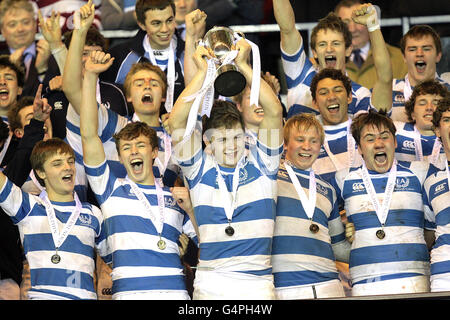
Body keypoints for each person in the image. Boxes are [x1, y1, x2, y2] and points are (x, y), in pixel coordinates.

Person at [168, 38, 283, 299]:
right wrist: (202, 73)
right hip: (211, 282)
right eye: (221, 140)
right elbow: (177, 119)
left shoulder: (263, 163)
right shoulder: (198, 168)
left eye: (235, 138)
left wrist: (243, 65)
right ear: (207, 141)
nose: (231, 147)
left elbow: (274, 110)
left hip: (258, 284)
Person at [79, 50, 197, 299]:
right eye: (126, 148)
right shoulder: (109, 188)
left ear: (155, 152)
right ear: (119, 157)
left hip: (176, 295)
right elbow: (89, 134)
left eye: (141, 145)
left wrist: (192, 211)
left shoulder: (175, 198)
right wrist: (89, 76)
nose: (134, 151)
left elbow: (208, 241)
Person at [0, 85, 108, 299]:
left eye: (70, 162)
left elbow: (113, 259)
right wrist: (37, 123)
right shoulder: (28, 207)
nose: (67, 167)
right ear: (40, 172)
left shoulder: (94, 213)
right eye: (57, 163)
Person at [335, 109, 434, 296]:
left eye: (384, 136)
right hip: (364, 281)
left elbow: (432, 230)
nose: (378, 143)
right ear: (359, 147)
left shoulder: (420, 172)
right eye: (370, 138)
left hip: (414, 279)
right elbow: (327, 224)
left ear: (395, 142)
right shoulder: (343, 178)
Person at [272, 113, 351, 299]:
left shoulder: (327, 189)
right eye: (300, 140)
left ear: (320, 147)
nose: (307, 147)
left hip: (329, 285)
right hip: (285, 286)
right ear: (285, 144)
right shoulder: (270, 178)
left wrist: (362, 236)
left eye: (314, 141)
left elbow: (339, 247)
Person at [273, 0, 378, 119]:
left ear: (348, 49)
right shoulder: (300, 73)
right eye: (322, 44)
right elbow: (287, 29)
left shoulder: (361, 94)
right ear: (314, 52)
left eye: (336, 43)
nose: (329, 49)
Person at [101, 0, 185, 115]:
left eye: (169, 21)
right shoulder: (119, 56)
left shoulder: (189, 54)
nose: (165, 29)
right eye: (156, 23)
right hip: (133, 130)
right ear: (142, 25)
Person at [334, 0, 407, 89]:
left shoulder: (398, 58)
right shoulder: (330, 61)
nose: (352, 29)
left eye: (357, 21)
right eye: (346, 23)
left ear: (369, 21)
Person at [392, 24, 450, 122]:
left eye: (426, 49)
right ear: (404, 57)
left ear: (438, 56)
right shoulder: (389, 91)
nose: (419, 54)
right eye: (412, 49)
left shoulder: (448, 87)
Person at [423, 96, 450, 292]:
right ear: (437, 130)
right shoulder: (432, 181)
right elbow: (429, 235)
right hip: (443, 274)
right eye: (447, 120)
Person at [0, 0, 49, 97]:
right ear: (2, 31)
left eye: (25, 22)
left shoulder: (53, 55)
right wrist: (11, 67)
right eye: (12, 24)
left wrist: (42, 71)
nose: (20, 29)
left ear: (35, 25)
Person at [394, 80, 448, 165]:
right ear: (413, 114)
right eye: (422, 103)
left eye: (436, 103)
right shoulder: (395, 131)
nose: (429, 108)